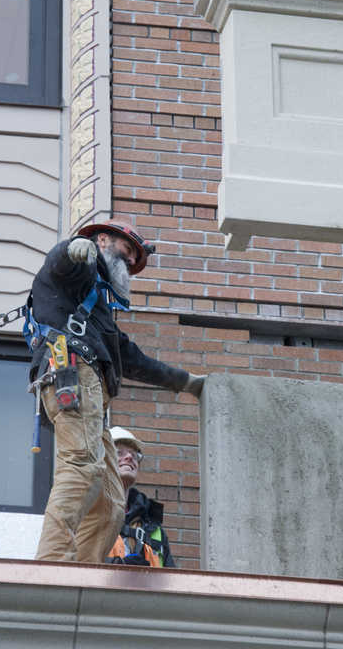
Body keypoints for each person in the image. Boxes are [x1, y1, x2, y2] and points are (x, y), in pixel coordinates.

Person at [27, 220, 205, 563]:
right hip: (72, 373)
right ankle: (51, 567)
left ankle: (82, 572)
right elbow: (59, 263)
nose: (129, 260)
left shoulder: (97, 313)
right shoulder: (78, 273)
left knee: (110, 503)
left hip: (91, 390)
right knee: (81, 467)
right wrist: (75, 249)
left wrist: (184, 382)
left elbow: (131, 357)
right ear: (103, 240)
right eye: (127, 250)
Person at [106, 426, 175, 567]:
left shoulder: (153, 529)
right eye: (119, 453)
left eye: (135, 455)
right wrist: (118, 565)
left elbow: (171, 582)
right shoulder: (85, 513)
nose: (130, 457)